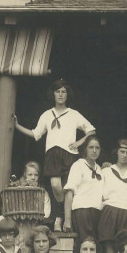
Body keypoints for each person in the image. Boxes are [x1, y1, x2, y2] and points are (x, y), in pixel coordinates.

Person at [14, 79, 96, 231]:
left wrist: (79, 143)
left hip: (70, 154)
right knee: (55, 186)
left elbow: (91, 131)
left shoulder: (74, 114)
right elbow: (35, 133)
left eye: (63, 91)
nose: (60, 94)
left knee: (68, 189)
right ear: (53, 94)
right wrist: (17, 126)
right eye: (58, 91)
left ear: (67, 95)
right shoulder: (47, 114)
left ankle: (60, 219)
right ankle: (63, 214)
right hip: (52, 154)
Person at [98, 138, 127, 253]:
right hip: (110, 213)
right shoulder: (106, 171)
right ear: (116, 152)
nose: (124, 155)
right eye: (122, 151)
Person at [63, 134, 103, 253]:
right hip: (82, 212)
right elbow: (69, 192)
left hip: (97, 212)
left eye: (97, 147)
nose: (94, 150)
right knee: (84, 245)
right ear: (85, 149)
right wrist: (67, 220)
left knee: (95, 246)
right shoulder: (78, 165)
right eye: (91, 147)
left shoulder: (100, 168)